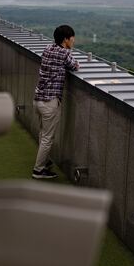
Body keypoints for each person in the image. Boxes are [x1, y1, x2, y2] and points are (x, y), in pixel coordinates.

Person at [31, 25, 79, 179]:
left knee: (43, 134)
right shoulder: (64, 53)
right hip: (50, 103)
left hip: (38, 99)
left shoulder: (48, 48)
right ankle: (38, 170)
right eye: (72, 38)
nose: (73, 40)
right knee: (47, 138)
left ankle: (44, 162)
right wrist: (70, 54)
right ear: (66, 39)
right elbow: (75, 66)